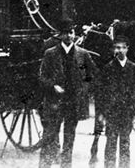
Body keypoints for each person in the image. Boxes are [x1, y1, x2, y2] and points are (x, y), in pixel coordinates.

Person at [39, 19, 97, 168]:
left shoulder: (82, 54)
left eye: (71, 33)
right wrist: (53, 86)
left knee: (69, 139)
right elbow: (42, 77)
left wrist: (84, 89)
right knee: (50, 136)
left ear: (74, 34)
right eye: (65, 33)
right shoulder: (50, 54)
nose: (69, 36)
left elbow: (93, 75)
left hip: (73, 102)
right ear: (60, 35)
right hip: (55, 101)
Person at [94, 36, 135, 168]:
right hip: (112, 112)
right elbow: (101, 91)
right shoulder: (108, 68)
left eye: (122, 48)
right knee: (111, 143)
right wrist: (102, 112)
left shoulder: (133, 67)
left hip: (127, 111)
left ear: (127, 49)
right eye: (116, 47)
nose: (119, 50)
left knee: (125, 143)